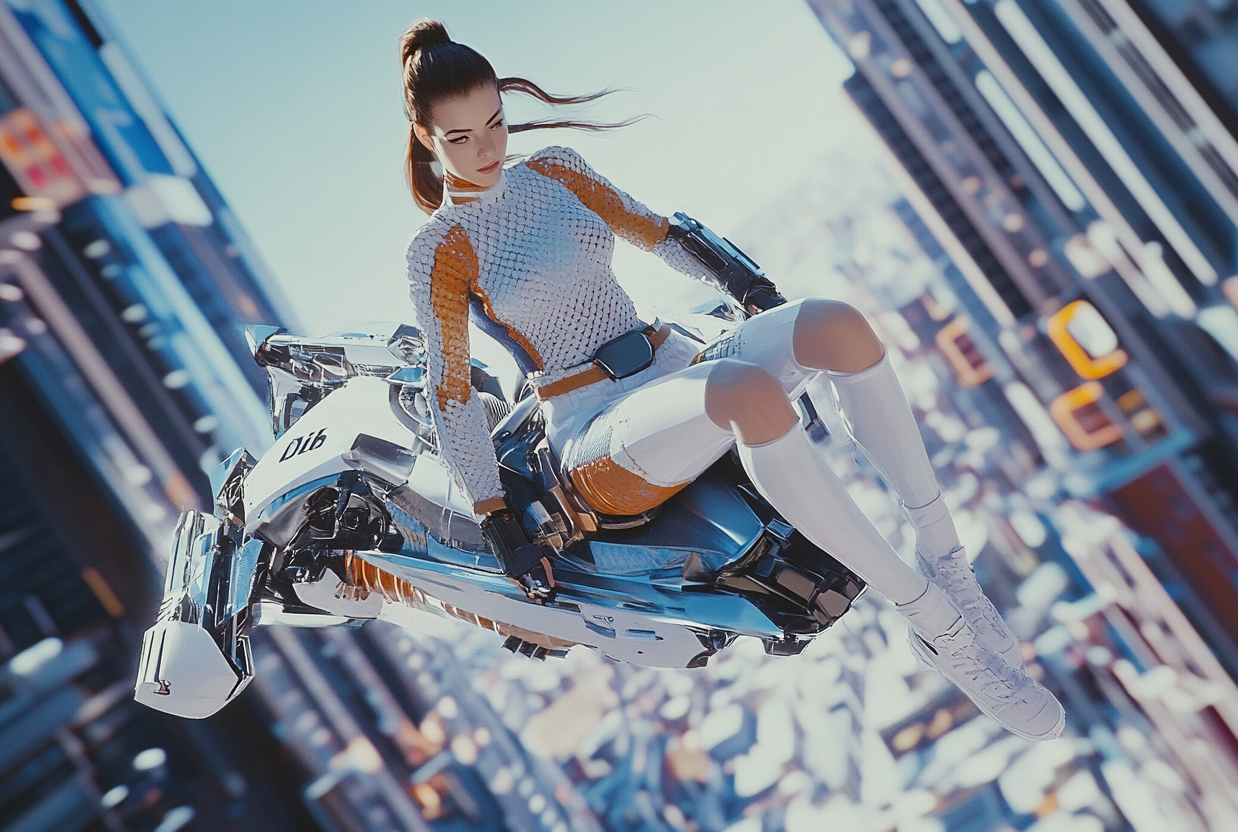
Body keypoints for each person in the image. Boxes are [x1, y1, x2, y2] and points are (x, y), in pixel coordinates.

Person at [399, 20, 1064, 742]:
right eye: (461, 137)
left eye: (495, 122)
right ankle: (938, 626)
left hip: (672, 363)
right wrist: (496, 516)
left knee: (837, 325)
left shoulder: (557, 170)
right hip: (593, 430)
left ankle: (946, 560)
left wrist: (744, 283)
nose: (489, 147)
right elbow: (452, 390)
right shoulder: (440, 248)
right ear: (427, 136)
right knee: (749, 394)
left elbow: (657, 233)